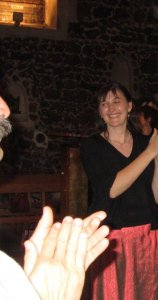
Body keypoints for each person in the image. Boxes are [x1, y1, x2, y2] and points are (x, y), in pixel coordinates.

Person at [0, 95, 110, 300]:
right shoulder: (93, 146)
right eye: (105, 103)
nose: (5, 109)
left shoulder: (6, 272)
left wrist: (31, 289)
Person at [80, 82, 158, 299]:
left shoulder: (146, 143)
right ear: (99, 111)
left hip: (148, 239)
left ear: (129, 106)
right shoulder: (92, 147)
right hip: (112, 242)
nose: (111, 108)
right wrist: (150, 153)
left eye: (117, 101)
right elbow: (111, 190)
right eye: (104, 103)